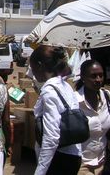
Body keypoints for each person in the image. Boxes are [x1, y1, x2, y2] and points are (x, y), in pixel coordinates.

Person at [30, 45, 82, 175]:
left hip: (58, 159)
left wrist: (40, 171)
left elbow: (51, 136)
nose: (32, 72)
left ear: (40, 65)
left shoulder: (49, 91)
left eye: (32, 67)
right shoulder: (66, 86)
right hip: (74, 155)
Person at [75, 60, 110, 174]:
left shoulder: (107, 97)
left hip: (102, 162)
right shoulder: (74, 102)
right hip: (81, 164)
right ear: (83, 78)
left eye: (101, 75)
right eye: (93, 76)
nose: (98, 80)